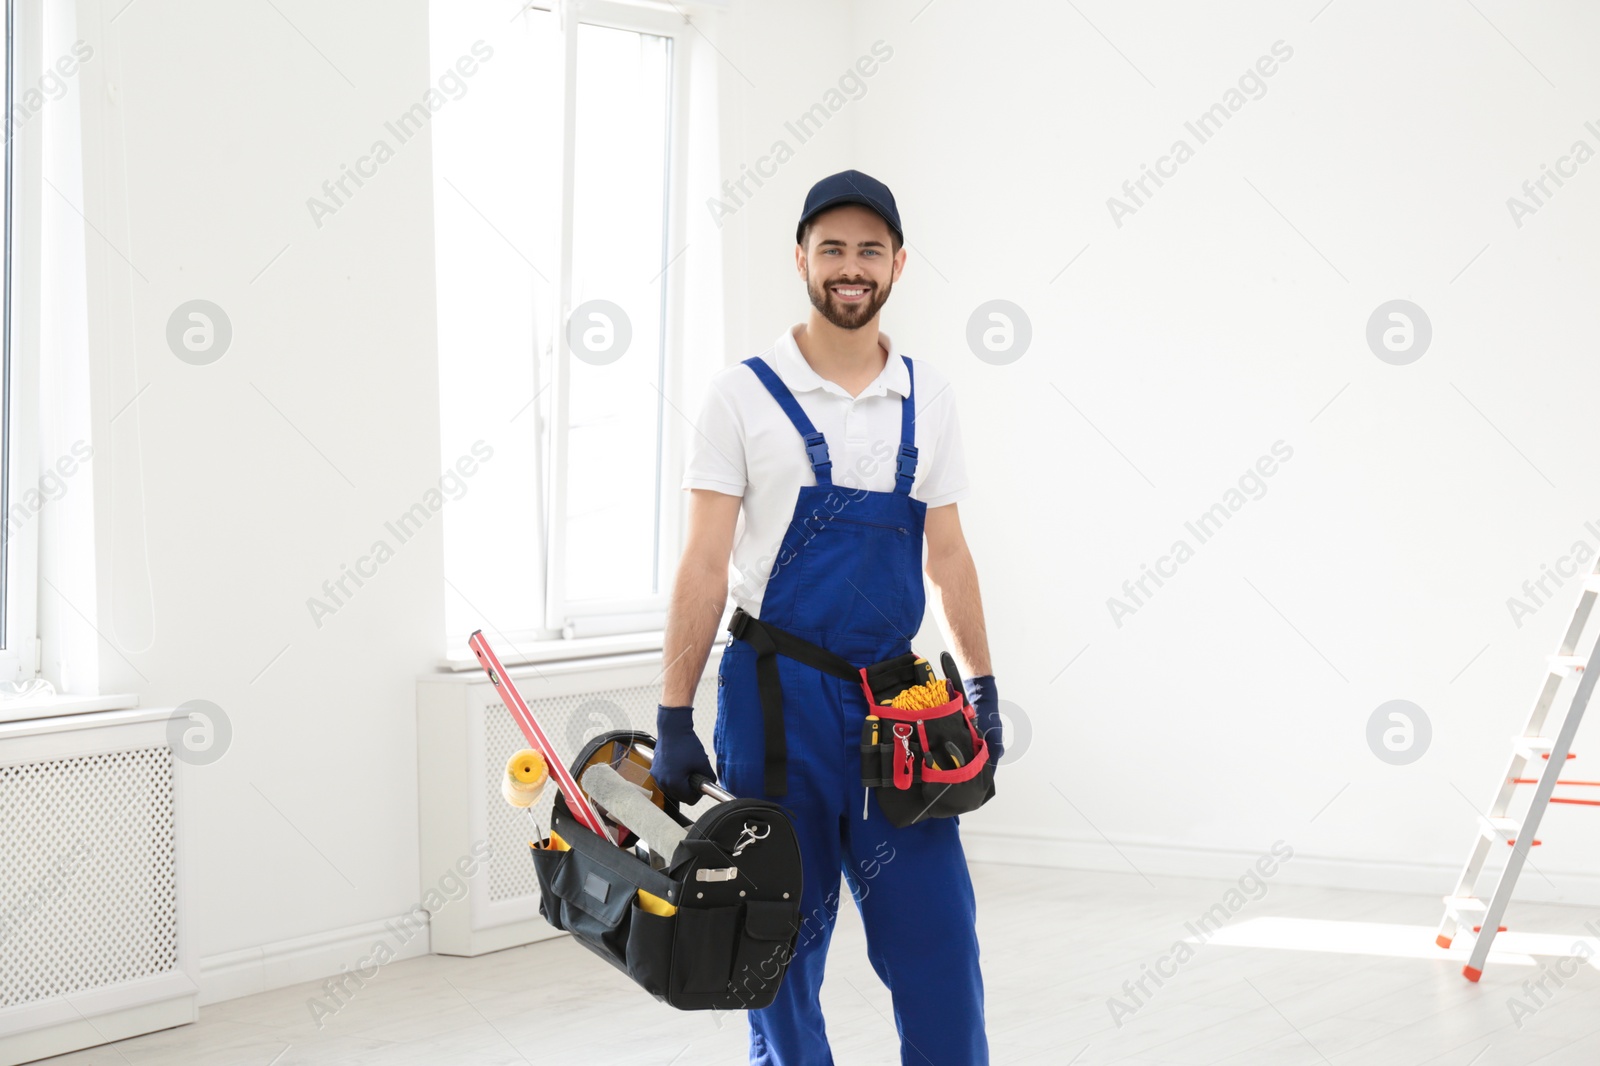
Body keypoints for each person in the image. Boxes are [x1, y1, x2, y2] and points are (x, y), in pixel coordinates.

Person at [654, 169, 1002, 1066]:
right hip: (777, 704)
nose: (853, 267)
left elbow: (949, 552)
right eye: (834, 249)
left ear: (897, 265)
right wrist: (672, 713)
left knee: (938, 943)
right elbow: (702, 564)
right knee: (776, 944)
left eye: (870, 251)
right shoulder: (742, 394)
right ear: (802, 258)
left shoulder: (929, 394)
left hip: (903, 708)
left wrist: (986, 685)